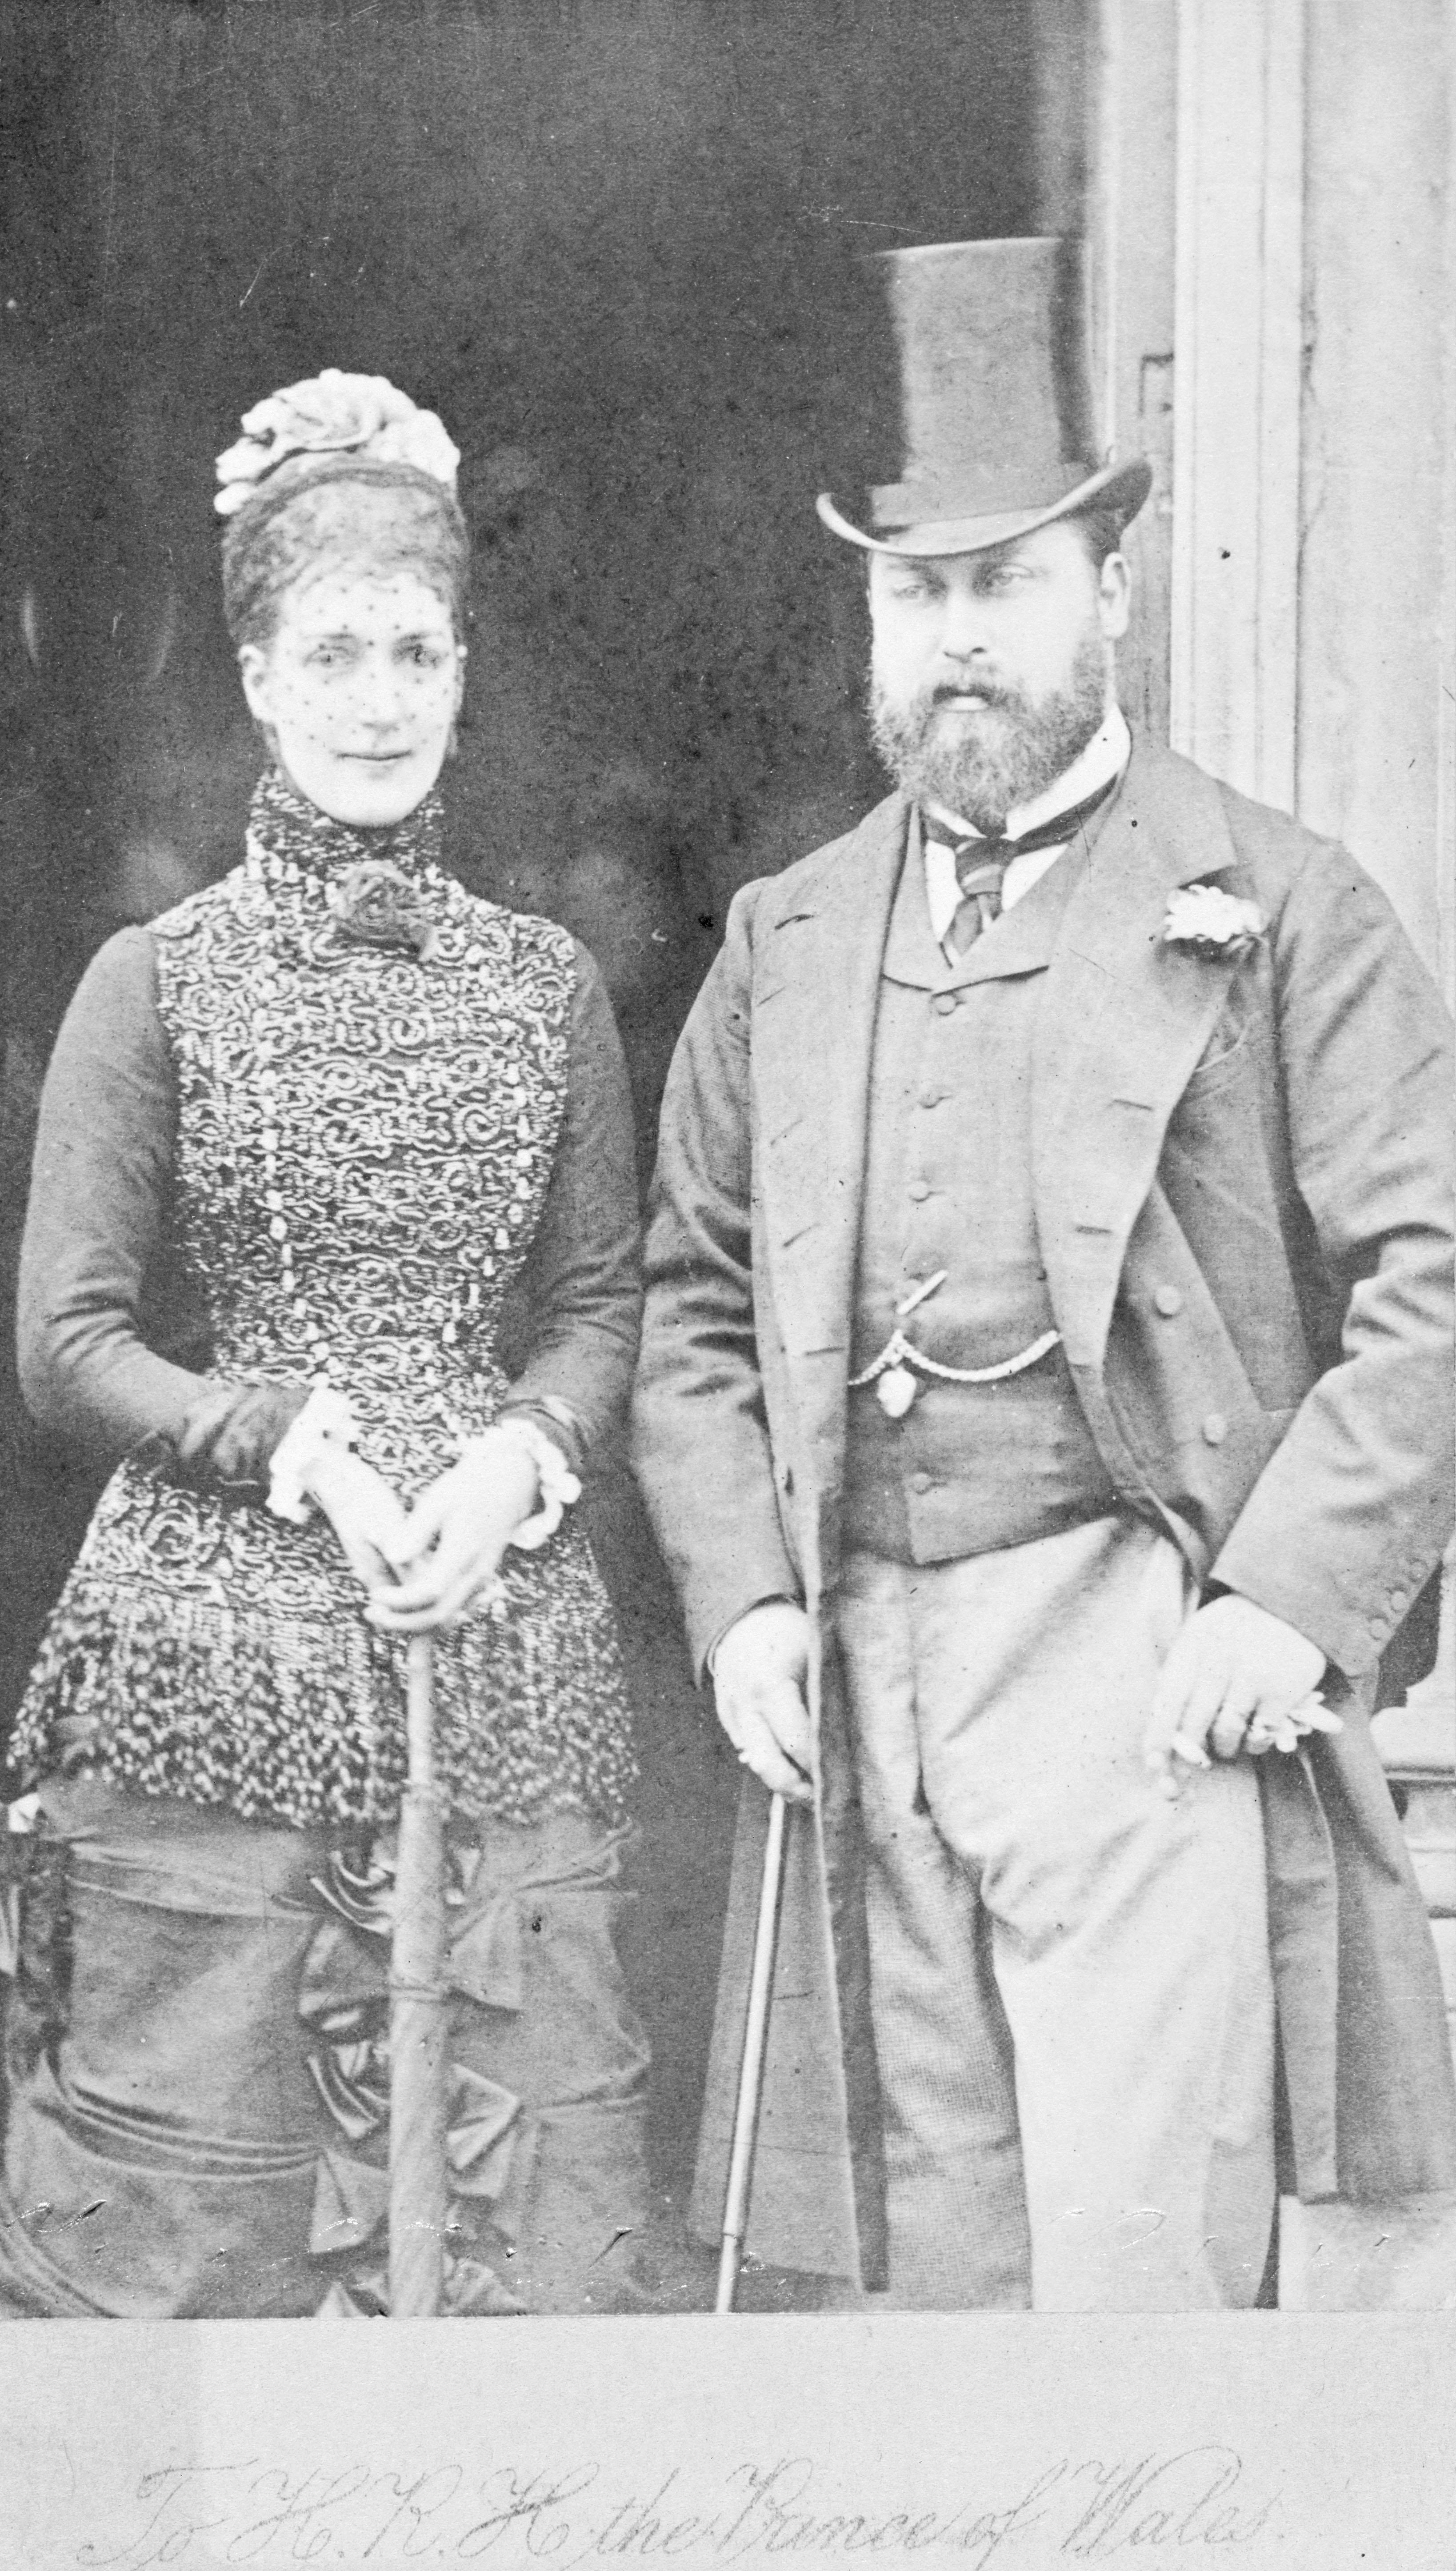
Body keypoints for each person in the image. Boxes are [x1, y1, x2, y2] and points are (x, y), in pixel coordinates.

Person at [632, 238, 1456, 2311]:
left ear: (1110, 585)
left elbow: (1436, 1271)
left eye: (1006, 584)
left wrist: (1285, 1589)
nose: (959, 645)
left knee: (1130, 2292)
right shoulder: (785, 935)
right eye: (920, 597)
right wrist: (739, 1592)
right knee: (929, 2287)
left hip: (1132, 1657)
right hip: (859, 1670)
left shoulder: (1283, 905)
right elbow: (697, 1305)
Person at [0, 371, 648, 2319]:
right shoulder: (157, 976)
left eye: (417, 652)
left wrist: (521, 1456)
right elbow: (69, 1338)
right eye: (334, 653)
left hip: (503, 1638)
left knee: (519, 2248)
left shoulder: (548, 986)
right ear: (263, 683)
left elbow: (602, 1305)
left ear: (464, 671)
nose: (381, 697)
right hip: (209, 1660)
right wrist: (299, 1447)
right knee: (200, 2260)